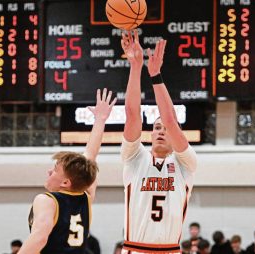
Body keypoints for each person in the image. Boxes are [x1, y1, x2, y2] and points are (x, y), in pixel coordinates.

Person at [120, 30, 197, 253]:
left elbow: (171, 120)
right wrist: (136, 68)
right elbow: (133, 114)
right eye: (156, 127)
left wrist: (155, 75)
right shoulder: (135, 157)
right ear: (150, 135)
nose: (161, 131)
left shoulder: (186, 163)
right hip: (135, 249)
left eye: (166, 129)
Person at [18, 89, 117, 254]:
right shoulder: (86, 198)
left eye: (55, 170)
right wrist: (100, 120)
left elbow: (39, 237)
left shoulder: (47, 200)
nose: (49, 171)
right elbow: (91, 155)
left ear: (65, 182)